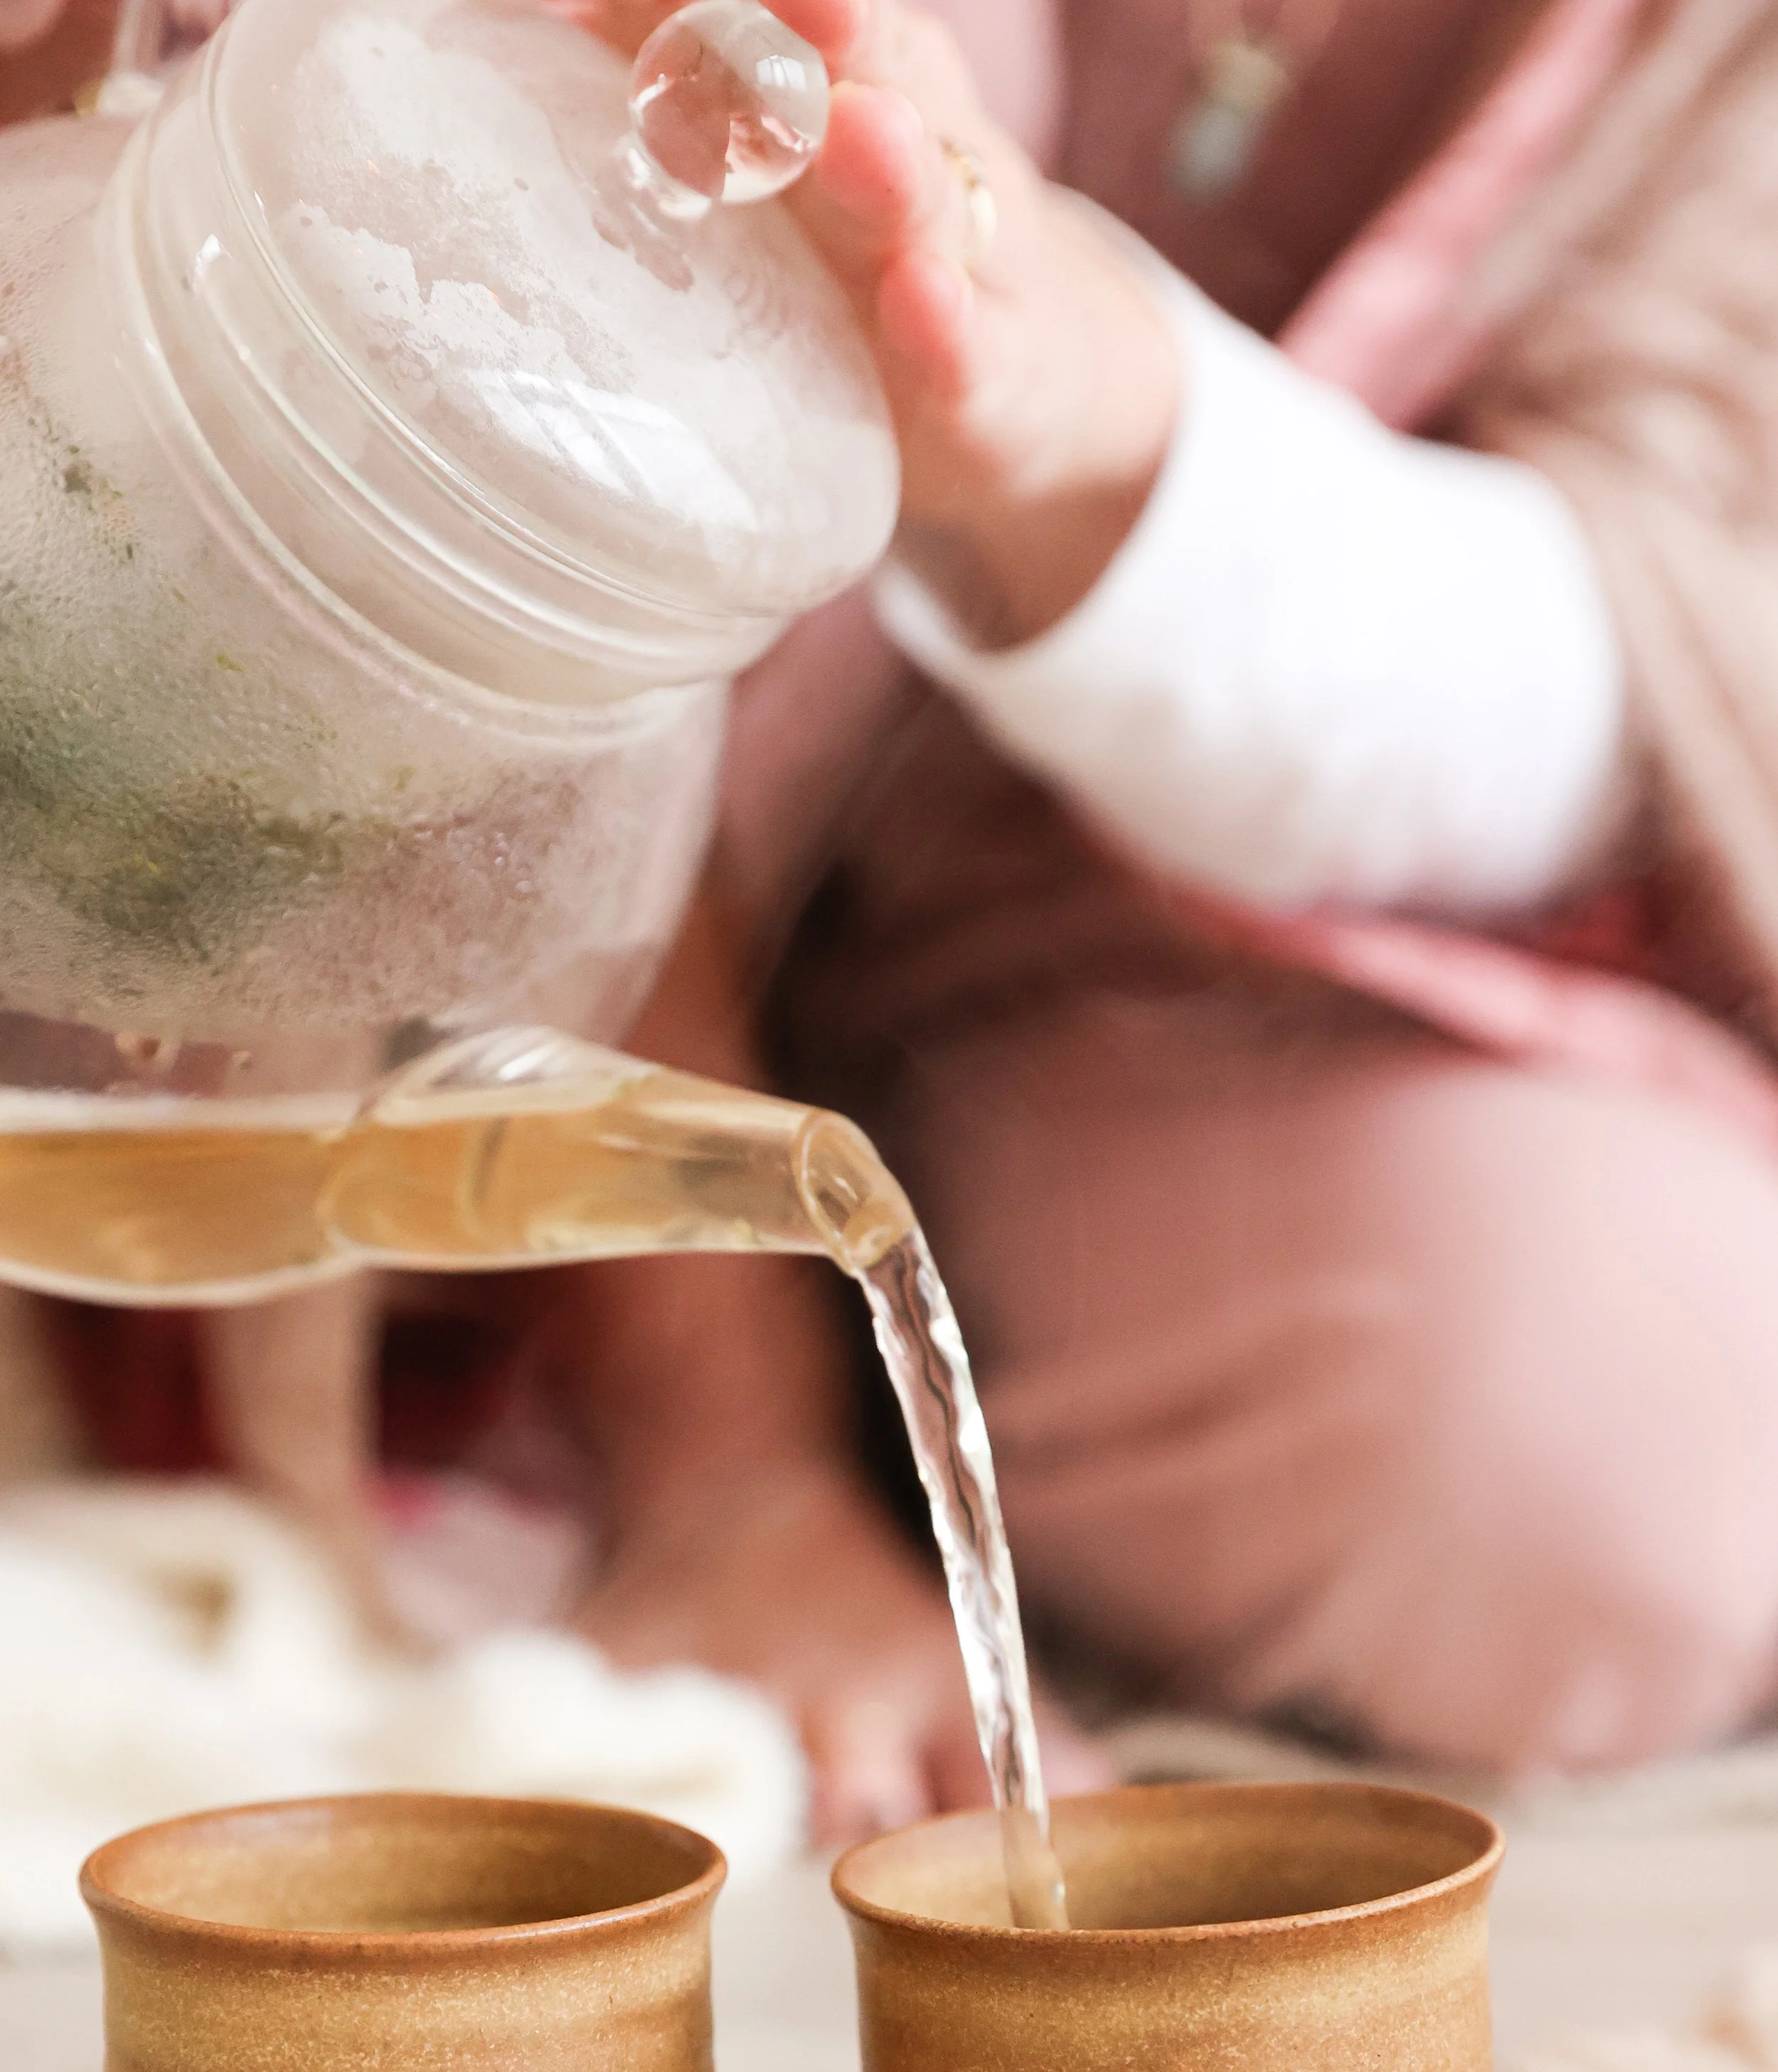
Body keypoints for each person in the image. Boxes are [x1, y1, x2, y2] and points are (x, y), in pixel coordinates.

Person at [14, 0, 1778, 1837]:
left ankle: (912, 1482)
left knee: (1617, 1452)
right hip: (515, 851)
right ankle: (642, 1415)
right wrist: (724, 1462)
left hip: (1196, 978)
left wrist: (1108, 441)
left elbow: (1665, 656)